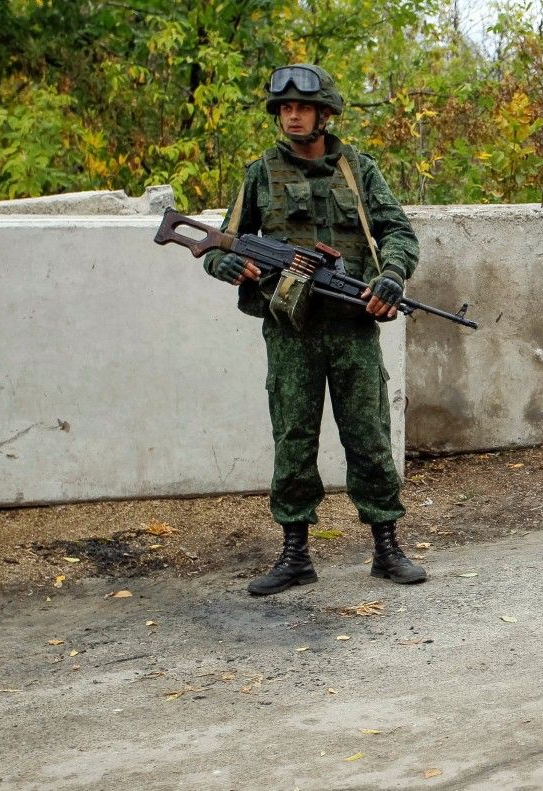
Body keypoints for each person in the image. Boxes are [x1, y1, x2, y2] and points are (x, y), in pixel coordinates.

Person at [203, 64, 426, 596]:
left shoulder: (358, 170)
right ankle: (295, 554)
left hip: (352, 329)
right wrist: (227, 265)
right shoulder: (259, 174)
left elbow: (398, 231)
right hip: (291, 333)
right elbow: (219, 242)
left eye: (303, 107)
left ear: (326, 114)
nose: (293, 115)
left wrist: (391, 276)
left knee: (369, 438)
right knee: (294, 441)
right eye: (285, 108)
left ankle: (386, 547)